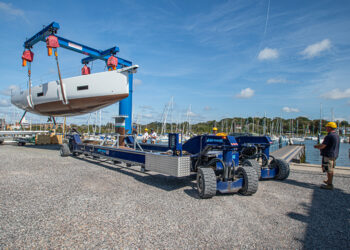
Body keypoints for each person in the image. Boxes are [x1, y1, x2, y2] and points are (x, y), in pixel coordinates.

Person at [314, 122, 340, 190]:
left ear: (329, 128)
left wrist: (317, 146)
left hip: (329, 155)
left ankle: (329, 185)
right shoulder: (336, 135)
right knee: (330, 168)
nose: (326, 128)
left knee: (329, 170)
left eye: (327, 127)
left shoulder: (329, 136)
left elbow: (323, 146)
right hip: (334, 154)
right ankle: (329, 180)